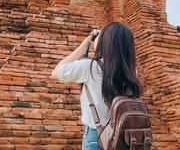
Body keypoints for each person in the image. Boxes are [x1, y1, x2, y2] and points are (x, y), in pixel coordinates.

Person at [50, 21, 143, 150]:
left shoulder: (90, 67)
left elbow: (56, 72)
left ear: (106, 43)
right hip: (124, 140)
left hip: (96, 138)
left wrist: (84, 46)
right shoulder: (132, 72)